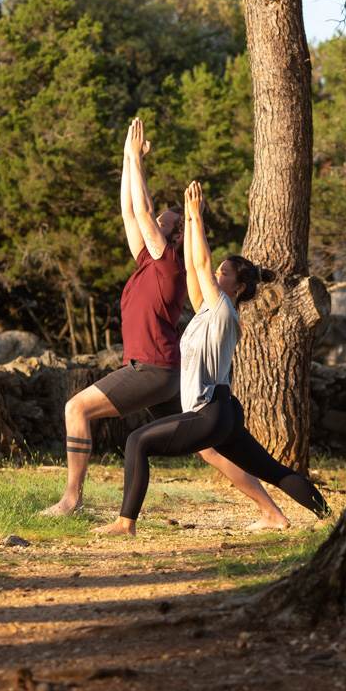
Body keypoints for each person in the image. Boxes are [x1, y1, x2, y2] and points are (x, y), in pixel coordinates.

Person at [42, 120, 289, 528]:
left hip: (153, 369)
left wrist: (137, 159)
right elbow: (129, 210)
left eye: (165, 222)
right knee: (209, 448)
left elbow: (140, 209)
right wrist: (126, 156)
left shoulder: (169, 266)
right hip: (167, 371)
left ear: (174, 238)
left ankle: (71, 500)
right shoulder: (147, 262)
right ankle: (272, 514)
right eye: (159, 217)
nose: (154, 220)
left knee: (76, 408)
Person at [97, 180, 330, 536]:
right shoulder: (207, 309)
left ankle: (124, 523)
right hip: (223, 410)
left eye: (224, 273)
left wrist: (195, 217)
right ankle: (329, 520)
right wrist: (191, 223)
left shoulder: (224, 310)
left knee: (137, 442)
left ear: (236, 287)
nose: (215, 274)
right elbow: (193, 268)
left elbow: (202, 262)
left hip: (208, 412)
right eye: (218, 271)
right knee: (273, 470)